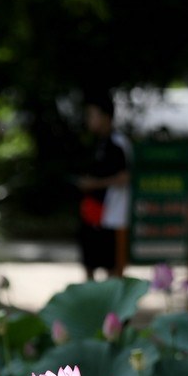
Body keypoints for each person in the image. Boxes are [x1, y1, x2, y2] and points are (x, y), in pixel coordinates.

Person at [75, 92, 131, 280]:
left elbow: (125, 178)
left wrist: (94, 184)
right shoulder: (96, 143)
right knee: (89, 262)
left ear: (106, 117)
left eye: (92, 115)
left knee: (112, 267)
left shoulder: (119, 143)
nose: (89, 120)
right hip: (93, 213)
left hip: (112, 215)